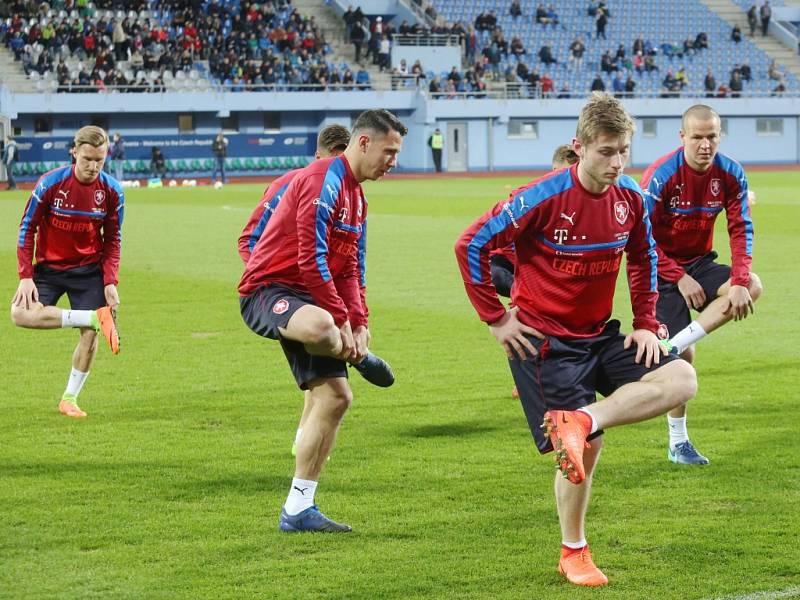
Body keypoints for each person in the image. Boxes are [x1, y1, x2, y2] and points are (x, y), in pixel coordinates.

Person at [454, 92, 697, 587]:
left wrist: (648, 322)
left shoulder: (630, 199)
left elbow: (644, 260)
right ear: (579, 147)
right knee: (583, 451)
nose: (616, 162)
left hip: (599, 334)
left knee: (682, 377)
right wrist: (496, 319)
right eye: (606, 151)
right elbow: (471, 244)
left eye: (623, 151)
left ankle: (581, 419)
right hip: (543, 342)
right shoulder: (539, 197)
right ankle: (574, 551)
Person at [238, 109, 407, 533]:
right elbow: (310, 261)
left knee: (336, 398)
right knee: (321, 329)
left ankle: (298, 509)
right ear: (363, 142)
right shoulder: (321, 179)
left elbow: (349, 268)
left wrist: (360, 320)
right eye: (390, 151)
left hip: (311, 301)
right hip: (270, 291)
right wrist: (342, 324)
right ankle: (357, 357)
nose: (393, 162)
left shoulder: (358, 197)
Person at [640, 104, 762, 465]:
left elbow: (741, 229)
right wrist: (678, 277)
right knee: (686, 363)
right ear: (683, 137)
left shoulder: (730, 173)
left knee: (752, 285)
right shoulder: (661, 176)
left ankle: (673, 344)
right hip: (661, 271)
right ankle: (678, 444)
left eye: (711, 136)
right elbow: (641, 238)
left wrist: (738, 280)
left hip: (700, 262)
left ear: (719, 136)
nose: (705, 144)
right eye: (697, 137)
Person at [238, 124, 351, 457]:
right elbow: (249, 238)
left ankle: (301, 446)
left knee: (325, 385)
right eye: (331, 161)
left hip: (319, 292)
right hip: (280, 292)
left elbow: (349, 259)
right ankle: (303, 449)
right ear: (317, 156)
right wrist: (265, 274)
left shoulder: (351, 195)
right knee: (323, 373)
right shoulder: (288, 184)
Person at [11, 125, 123, 418]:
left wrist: (110, 281)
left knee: (90, 335)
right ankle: (95, 317)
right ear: (75, 153)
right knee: (19, 313)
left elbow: (113, 240)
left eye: (100, 160)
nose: (93, 166)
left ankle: (69, 398)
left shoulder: (112, 191)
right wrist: (25, 276)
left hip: (88, 269)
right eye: (87, 159)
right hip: (48, 268)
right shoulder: (50, 184)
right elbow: (27, 229)